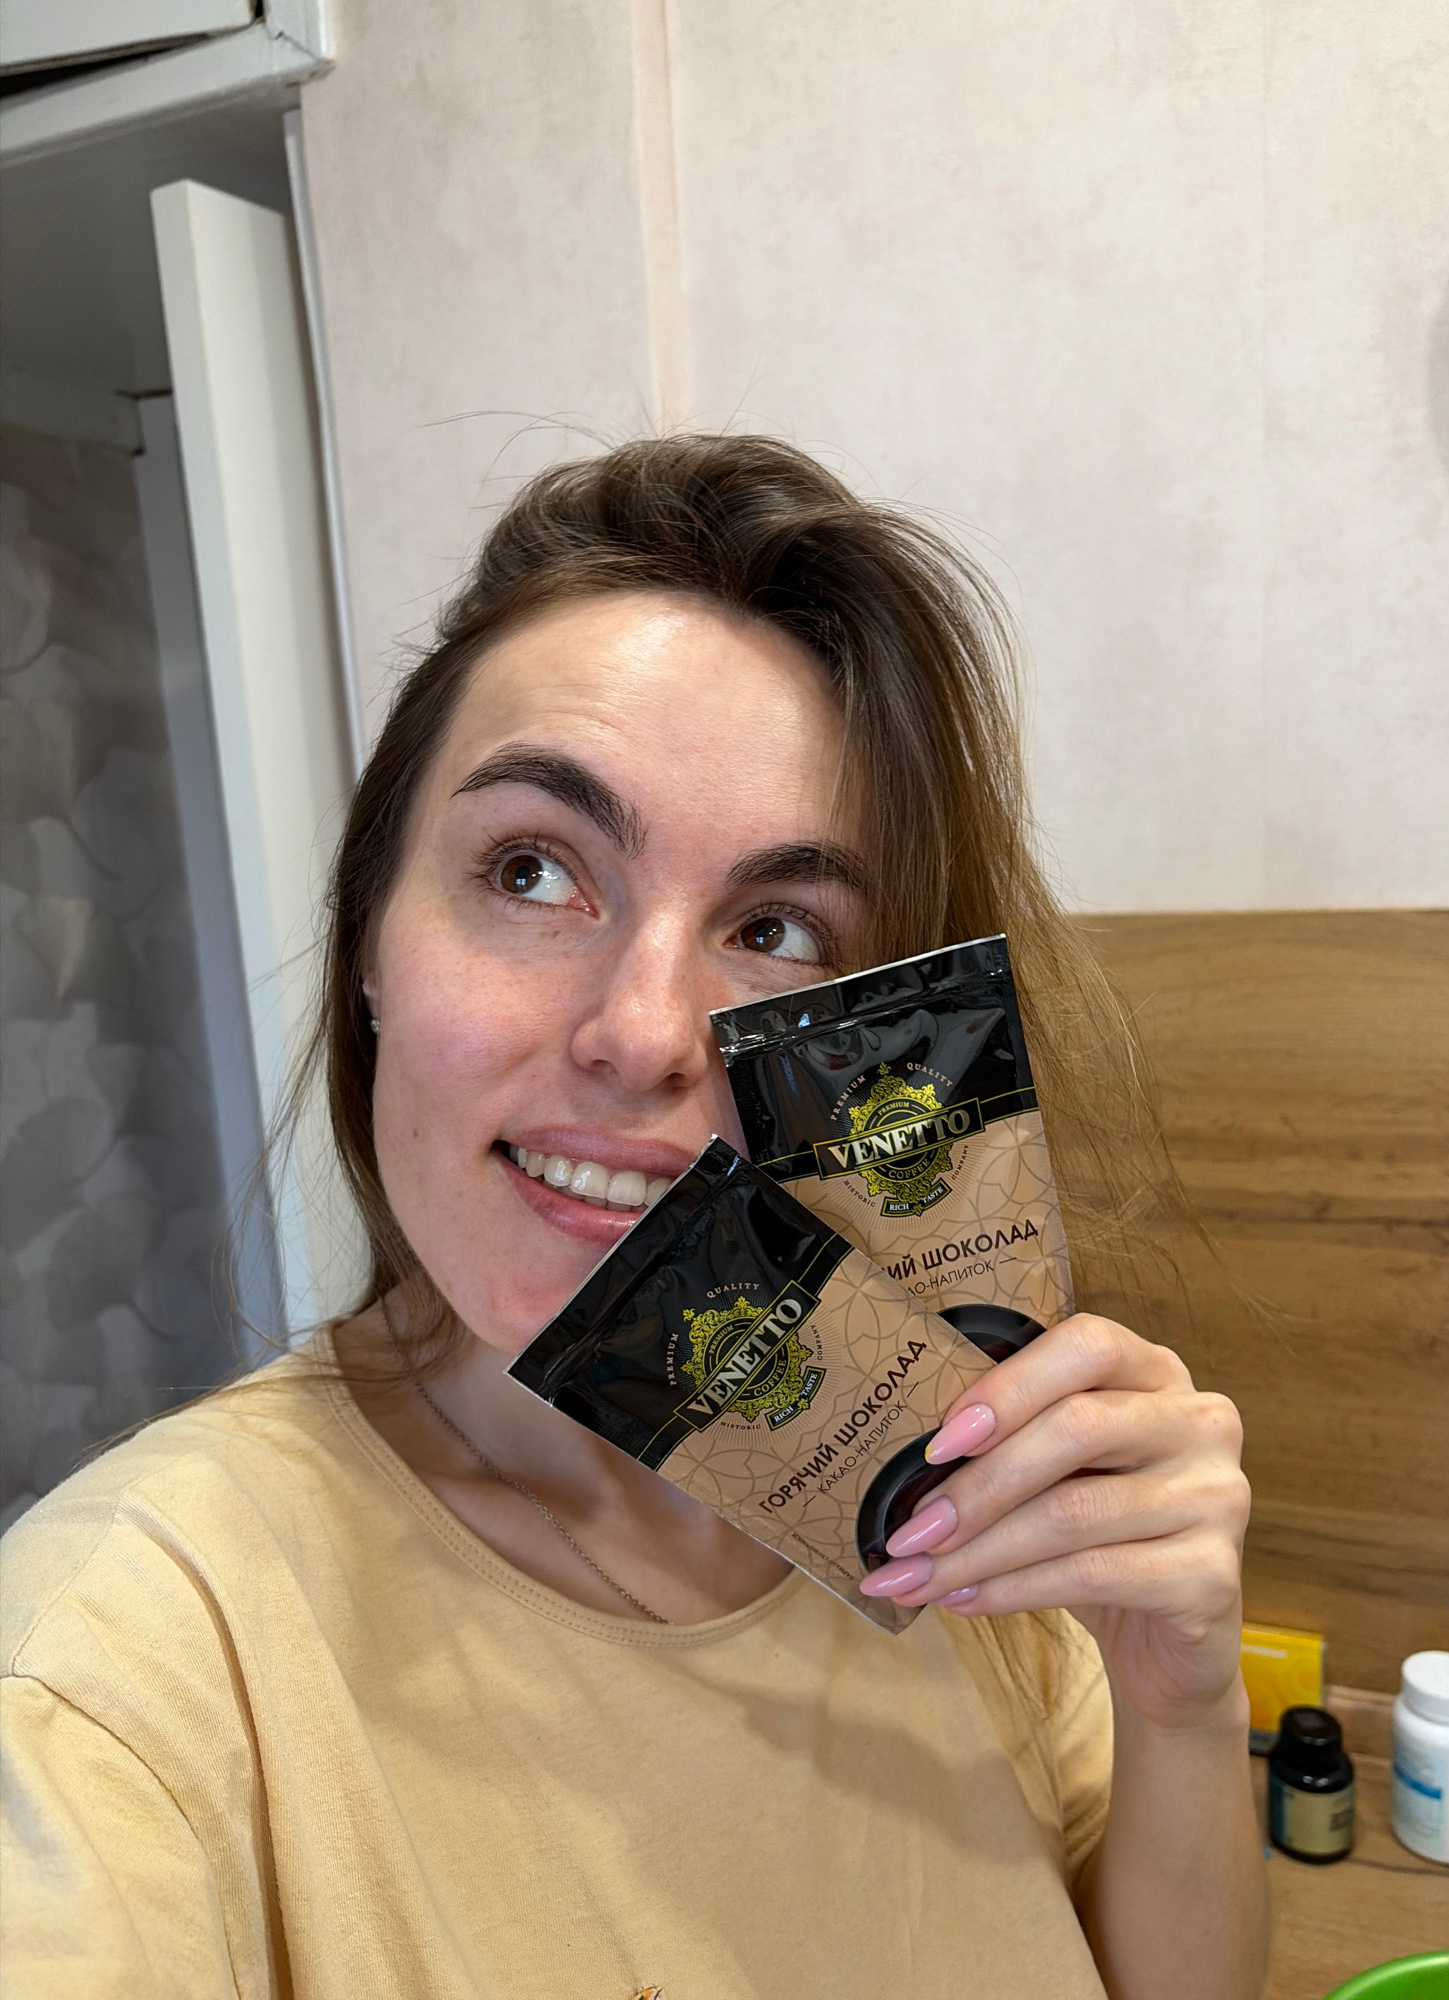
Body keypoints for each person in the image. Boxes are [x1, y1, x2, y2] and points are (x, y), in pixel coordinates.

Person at [1, 436, 1267, 1998]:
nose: (644, 1033)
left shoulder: (938, 1490)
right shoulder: (111, 1674)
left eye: (777, 928)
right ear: (372, 940)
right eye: (534, 871)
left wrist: (1181, 1705)